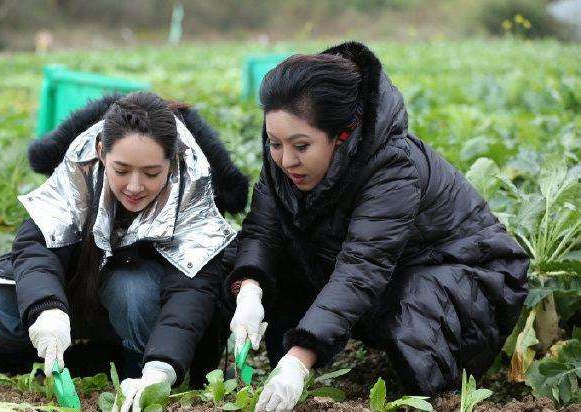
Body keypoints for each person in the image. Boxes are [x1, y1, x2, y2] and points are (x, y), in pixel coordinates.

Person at [225, 41, 529, 411]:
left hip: (470, 273)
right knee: (278, 258)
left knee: (414, 315)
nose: (286, 159)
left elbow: (362, 268)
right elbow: (263, 230)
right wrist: (250, 291)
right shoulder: (286, 159)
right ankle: (287, 360)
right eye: (275, 143)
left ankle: (431, 395)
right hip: (392, 269)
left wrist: (299, 361)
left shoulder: (392, 168)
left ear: (342, 134)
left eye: (301, 146)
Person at [0, 91, 249, 411]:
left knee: (132, 290)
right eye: (122, 169)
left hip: (138, 318)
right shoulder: (78, 169)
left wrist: (162, 367)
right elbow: (36, 247)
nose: (134, 186)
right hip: (74, 298)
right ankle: (40, 359)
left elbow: (191, 290)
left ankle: (136, 370)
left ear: (172, 162)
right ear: (102, 152)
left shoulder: (193, 190)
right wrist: (47, 309)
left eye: (151, 173)